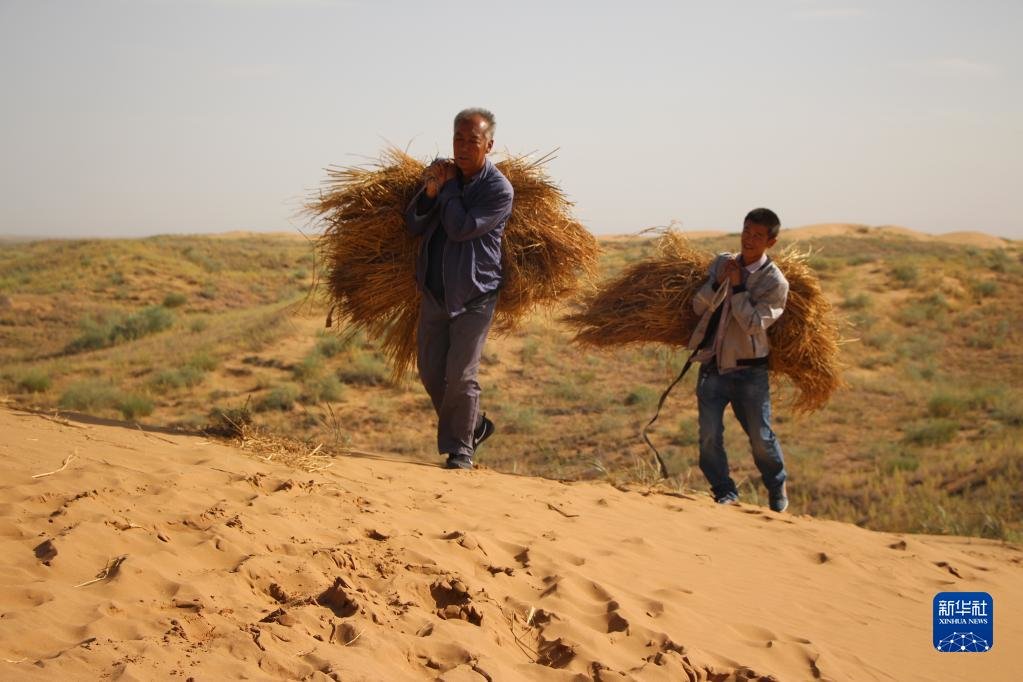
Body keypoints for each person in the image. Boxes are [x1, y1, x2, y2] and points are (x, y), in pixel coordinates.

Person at [404, 108, 514, 470]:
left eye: (473, 141)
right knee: (432, 373)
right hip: (435, 292)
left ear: (489, 145)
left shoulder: (498, 190)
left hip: (474, 295)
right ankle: (476, 424)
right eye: (458, 139)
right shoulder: (442, 173)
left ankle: (461, 450)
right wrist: (431, 192)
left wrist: (448, 189)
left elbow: (461, 228)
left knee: (462, 376)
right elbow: (414, 222)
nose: (464, 147)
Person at [686, 208, 790, 511]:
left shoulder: (775, 282)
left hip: (750, 372)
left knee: (761, 438)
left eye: (758, 235)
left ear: (770, 242)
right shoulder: (722, 263)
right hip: (713, 366)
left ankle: (776, 485)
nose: (749, 239)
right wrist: (718, 283)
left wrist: (740, 288)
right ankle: (724, 491)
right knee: (708, 436)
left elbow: (754, 324)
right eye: (746, 231)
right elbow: (697, 308)